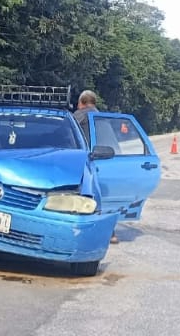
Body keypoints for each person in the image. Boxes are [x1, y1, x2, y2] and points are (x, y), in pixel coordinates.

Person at [72, 90, 119, 244]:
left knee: (83, 195)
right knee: (100, 196)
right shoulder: (103, 118)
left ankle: (81, 231)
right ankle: (110, 232)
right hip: (105, 160)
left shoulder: (81, 115)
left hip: (84, 161)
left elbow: (66, 128)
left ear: (81, 103)